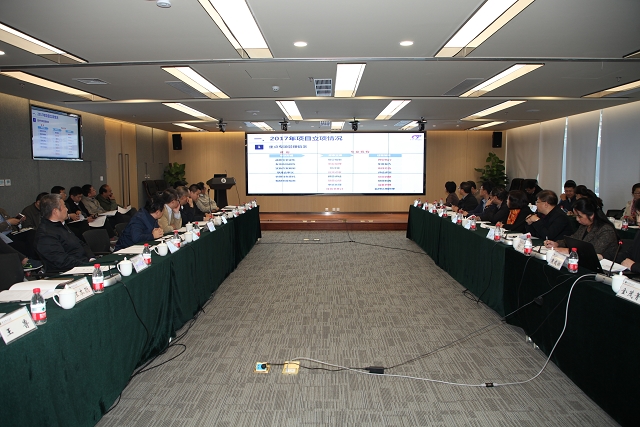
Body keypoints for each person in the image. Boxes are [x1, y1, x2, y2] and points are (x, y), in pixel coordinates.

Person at [35, 194, 94, 272]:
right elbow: (62, 261)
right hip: (69, 271)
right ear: (55, 211)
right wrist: (86, 266)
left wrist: (92, 258)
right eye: (64, 206)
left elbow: (80, 243)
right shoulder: (45, 235)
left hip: (84, 264)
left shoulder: (61, 225)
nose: (67, 209)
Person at [544, 197, 618, 260]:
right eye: (576, 216)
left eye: (580, 216)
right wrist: (557, 244)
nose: (577, 219)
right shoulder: (584, 226)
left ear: (591, 215)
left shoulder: (606, 230)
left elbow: (592, 252)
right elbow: (573, 239)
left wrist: (568, 251)